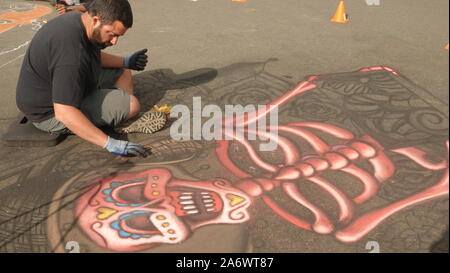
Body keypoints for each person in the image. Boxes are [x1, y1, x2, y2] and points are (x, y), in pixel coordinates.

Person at [16, 0, 166, 157]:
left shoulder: (79, 20)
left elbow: (90, 55)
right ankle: (115, 116)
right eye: (112, 34)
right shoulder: (71, 55)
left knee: (123, 72)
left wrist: (126, 61)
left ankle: (114, 113)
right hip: (49, 113)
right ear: (95, 20)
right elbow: (64, 112)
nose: (114, 42)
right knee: (131, 104)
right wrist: (108, 142)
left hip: (57, 86)